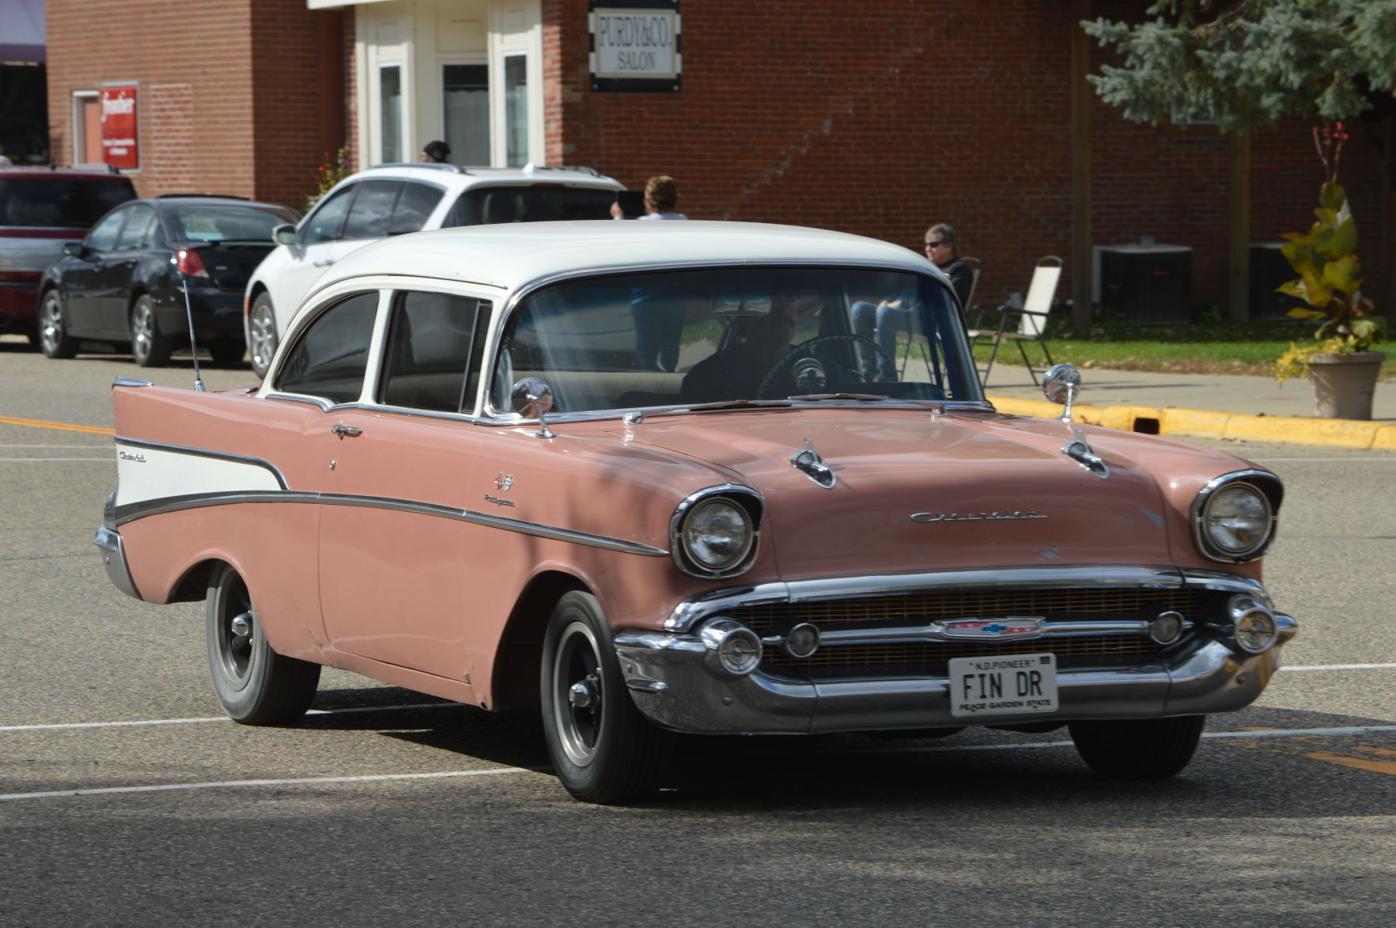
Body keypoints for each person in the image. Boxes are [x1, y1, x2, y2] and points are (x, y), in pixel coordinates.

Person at [850, 222, 972, 381]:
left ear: (948, 246)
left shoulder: (958, 270)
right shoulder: (925, 268)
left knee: (885, 314)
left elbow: (944, 299)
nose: (928, 248)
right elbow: (903, 290)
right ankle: (868, 370)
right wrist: (888, 301)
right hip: (904, 313)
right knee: (860, 308)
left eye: (933, 244)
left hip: (931, 320)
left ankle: (886, 375)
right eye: (926, 244)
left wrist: (901, 304)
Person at [680, 290, 808, 402]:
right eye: (767, 302)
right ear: (744, 320)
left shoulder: (816, 366)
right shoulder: (708, 377)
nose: (783, 308)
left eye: (791, 299)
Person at [611, 174, 687, 220]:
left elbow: (625, 239)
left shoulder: (643, 223)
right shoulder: (683, 219)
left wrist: (618, 217)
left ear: (648, 200)